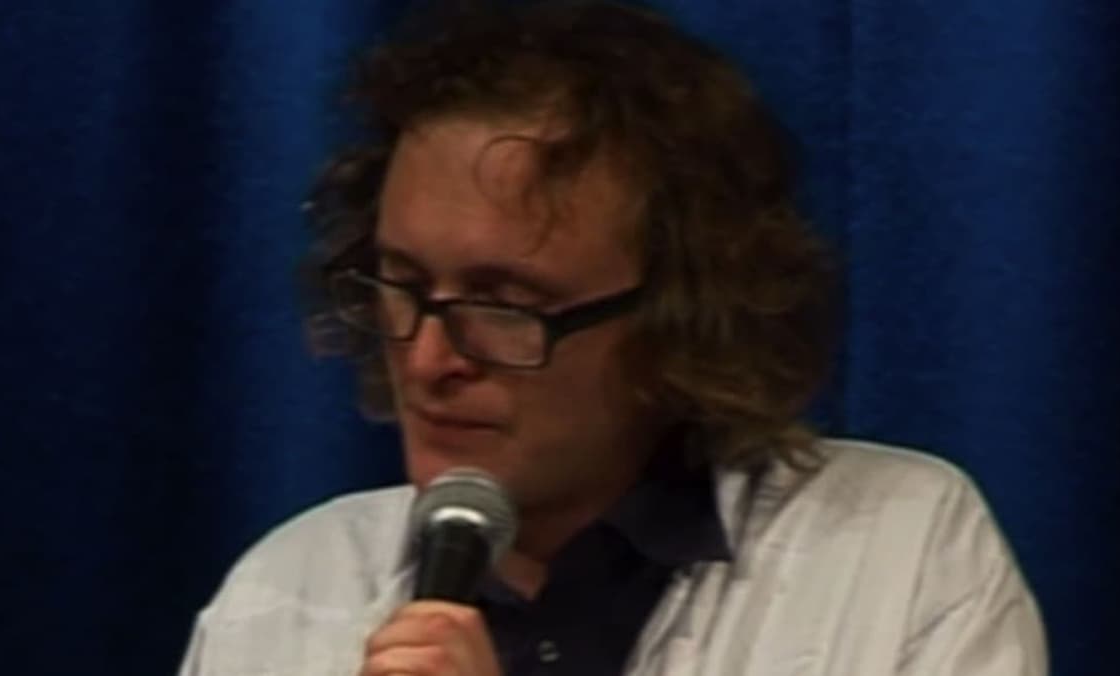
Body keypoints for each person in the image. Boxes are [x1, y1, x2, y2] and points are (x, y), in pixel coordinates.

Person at [177, 1, 1047, 674]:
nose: (430, 360)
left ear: (680, 318)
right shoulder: (285, 597)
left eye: (505, 305)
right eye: (402, 285)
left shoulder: (899, 554)